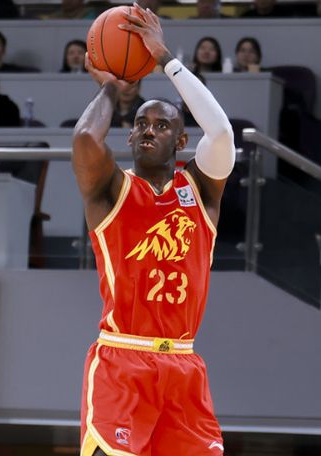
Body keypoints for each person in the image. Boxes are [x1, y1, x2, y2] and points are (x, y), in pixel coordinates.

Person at [72, 4, 235, 455]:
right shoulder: (110, 191)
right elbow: (85, 140)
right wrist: (110, 87)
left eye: (162, 125)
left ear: (181, 141)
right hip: (122, 361)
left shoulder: (201, 191)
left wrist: (165, 59)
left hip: (183, 365)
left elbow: (221, 134)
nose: (148, 130)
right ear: (129, 137)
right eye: (141, 124)